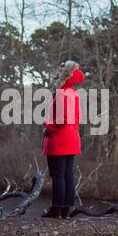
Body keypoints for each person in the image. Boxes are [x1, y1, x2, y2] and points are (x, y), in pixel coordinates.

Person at [41, 60, 85, 219]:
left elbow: (62, 118)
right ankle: (65, 211)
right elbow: (77, 117)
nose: (56, 72)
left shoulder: (62, 92)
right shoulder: (73, 92)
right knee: (67, 175)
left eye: (59, 69)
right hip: (71, 138)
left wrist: (48, 128)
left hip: (60, 139)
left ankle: (56, 210)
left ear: (65, 74)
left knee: (58, 175)